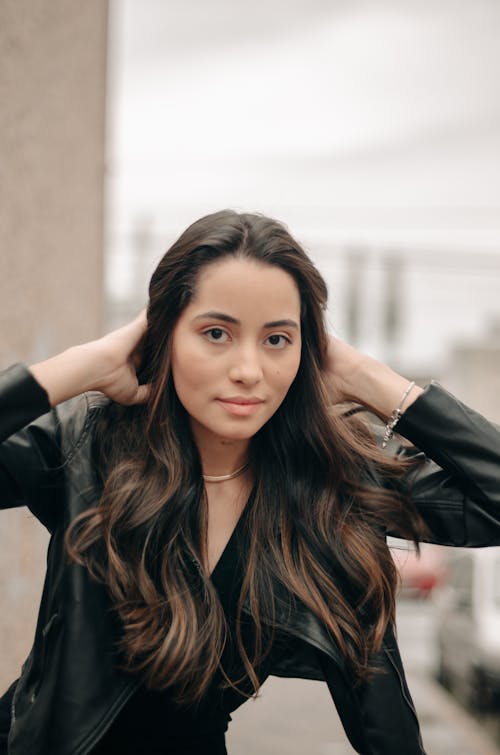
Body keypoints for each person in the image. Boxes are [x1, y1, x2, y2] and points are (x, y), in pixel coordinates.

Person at [1, 209, 499, 755]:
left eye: (277, 339)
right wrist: (80, 366)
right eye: (217, 333)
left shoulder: (333, 479)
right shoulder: (88, 445)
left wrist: (370, 380)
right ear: (162, 335)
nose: (248, 370)